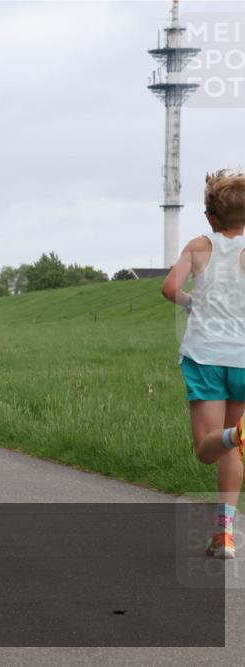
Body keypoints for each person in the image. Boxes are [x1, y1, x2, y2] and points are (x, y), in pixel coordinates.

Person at [162, 169, 245, 559]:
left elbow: (169, 288)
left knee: (210, 446)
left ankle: (236, 434)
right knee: (235, 443)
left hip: (205, 356)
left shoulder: (199, 245)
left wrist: (193, 303)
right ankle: (224, 535)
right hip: (243, 359)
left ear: (211, 216)